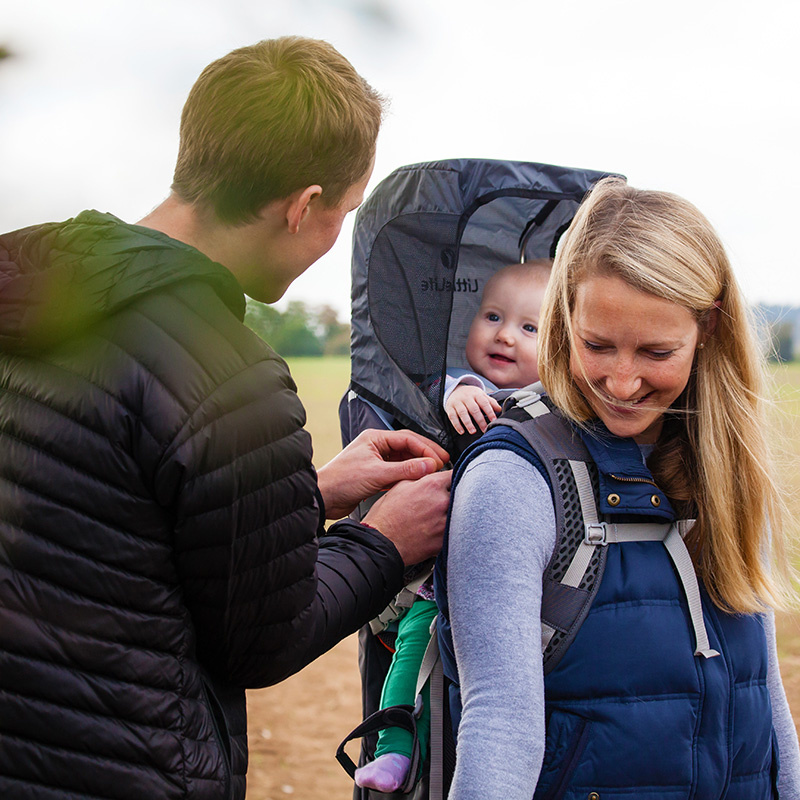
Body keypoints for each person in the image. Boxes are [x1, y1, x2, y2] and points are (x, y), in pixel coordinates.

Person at [0, 36, 452, 800]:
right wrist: (382, 542)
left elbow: (110, 528)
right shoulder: (229, 376)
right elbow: (262, 640)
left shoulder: (29, 287)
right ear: (303, 206)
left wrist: (305, 496)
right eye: (342, 212)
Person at [436, 177, 800, 799]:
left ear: (709, 326)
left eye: (656, 352)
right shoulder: (513, 478)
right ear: (564, 316)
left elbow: (765, 699)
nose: (622, 383)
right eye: (597, 345)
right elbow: (499, 723)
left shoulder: (731, 472)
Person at [354, 259, 551, 793]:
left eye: (529, 327)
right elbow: (447, 392)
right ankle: (393, 749)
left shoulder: (559, 401)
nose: (504, 336)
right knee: (414, 648)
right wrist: (460, 393)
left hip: (531, 578)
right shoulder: (467, 387)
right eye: (493, 316)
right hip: (441, 579)